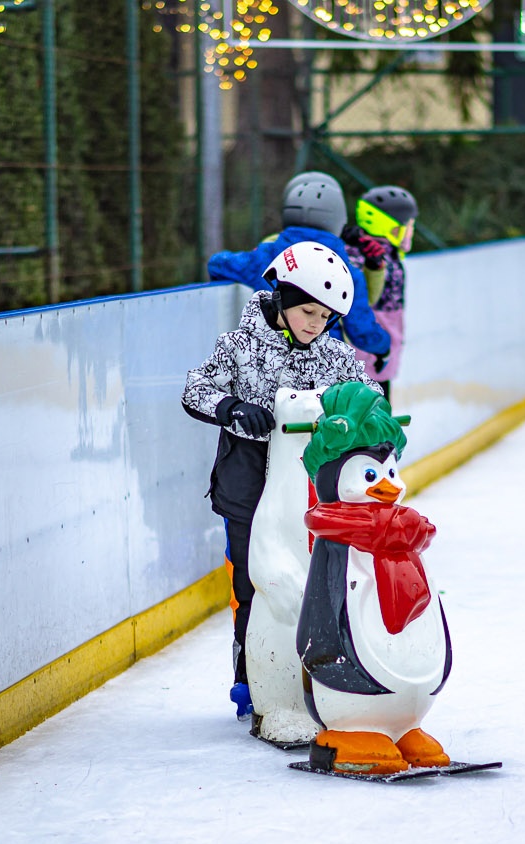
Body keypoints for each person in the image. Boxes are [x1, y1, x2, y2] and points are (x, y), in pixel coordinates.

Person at [182, 241, 384, 721]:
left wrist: (355, 418)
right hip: (248, 484)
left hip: (311, 486)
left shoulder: (333, 354)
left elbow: (371, 394)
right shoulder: (239, 346)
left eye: (326, 317)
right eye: (308, 311)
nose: (316, 324)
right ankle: (252, 676)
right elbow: (196, 388)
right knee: (256, 583)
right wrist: (232, 408)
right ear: (282, 297)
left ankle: (327, 671)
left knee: (322, 580)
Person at [207, 171, 392, 366]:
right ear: (339, 218)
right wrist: (384, 348)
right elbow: (361, 331)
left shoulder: (263, 257)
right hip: (322, 363)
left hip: (269, 359)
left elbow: (218, 263)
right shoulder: (347, 272)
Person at [344, 185, 420, 404]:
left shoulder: (362, 251)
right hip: (368, 360)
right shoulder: (378, 259)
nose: (411, 231)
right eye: (409, 226)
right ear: (393, 229)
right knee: (374, 417)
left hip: (373, 358)